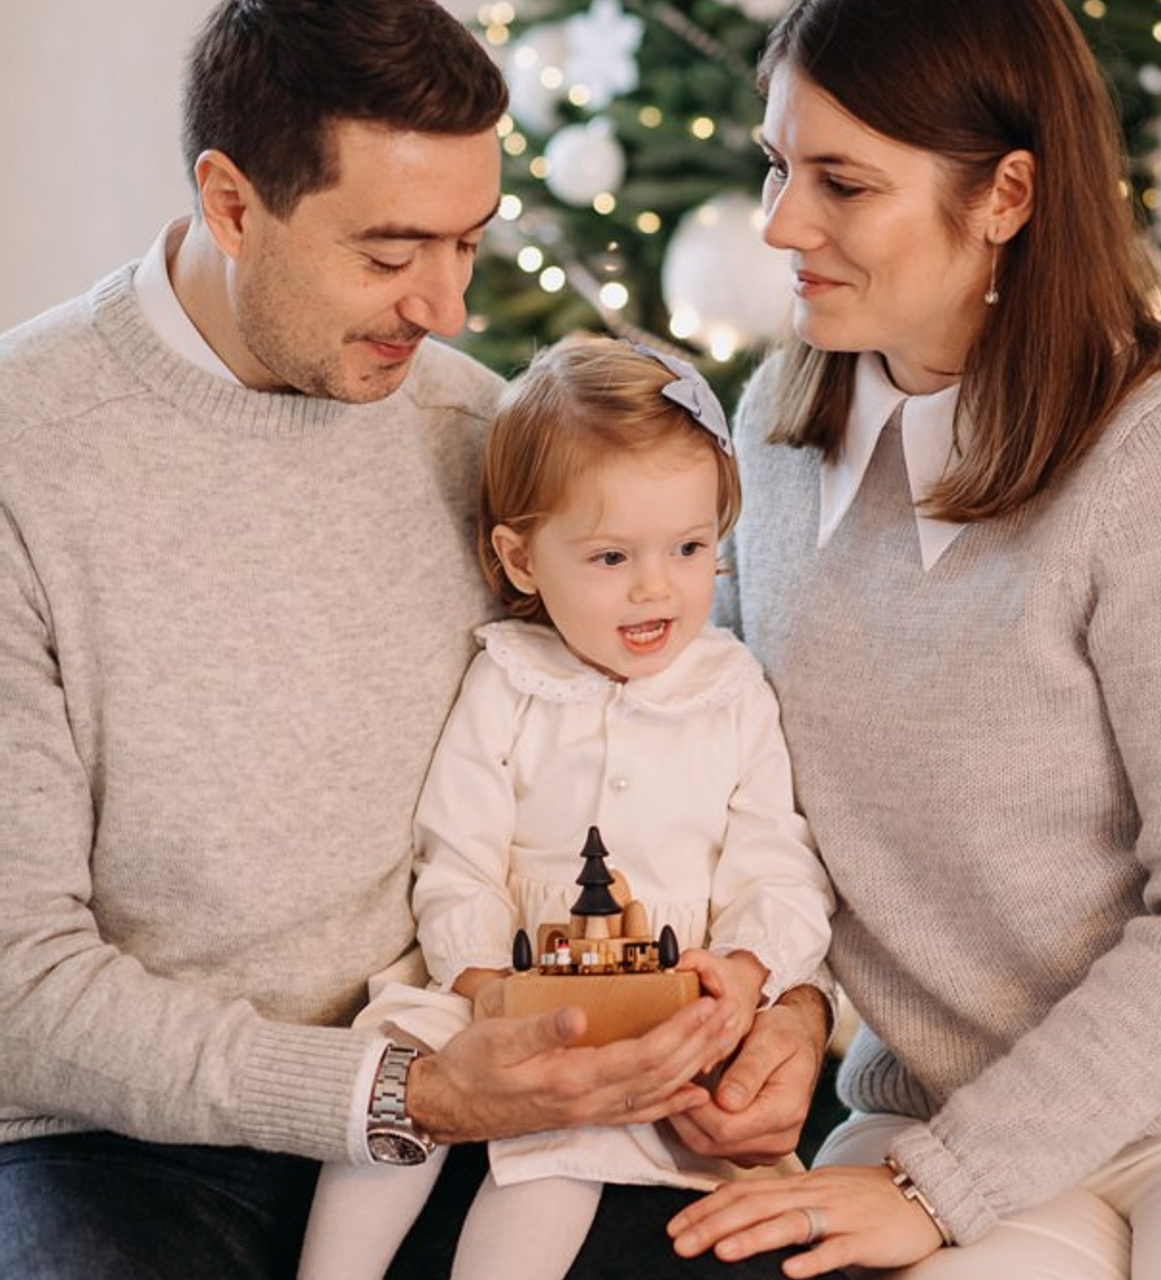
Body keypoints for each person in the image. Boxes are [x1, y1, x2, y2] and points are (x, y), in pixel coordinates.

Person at [0, 3, 822, 1277]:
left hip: (499, 1090)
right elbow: (20, 989)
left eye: (467, 243)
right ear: (231, 202)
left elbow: (675, 749)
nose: (442, 305)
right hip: (122, 1143)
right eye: (391, 252)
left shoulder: (473, 430)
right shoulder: (25, 459)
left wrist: (794, 1007)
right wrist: (406, 1090)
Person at [665, 0, 1161, 1277]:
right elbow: (744, 795)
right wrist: (782, 1004)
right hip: (926, 1105)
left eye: (842, 181)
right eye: (780, 166)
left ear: (1003, 195)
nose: (782, 223)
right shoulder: (773, 428)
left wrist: (946, 1185)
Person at [297, 335, 835, 1280]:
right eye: (610, 554)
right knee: (395, 1066)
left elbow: (774, 864)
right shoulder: (507, 680)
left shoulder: (732, 690)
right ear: (522, 559)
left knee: (565, 1153)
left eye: (690, 548)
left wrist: (747, 976)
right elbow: (455, 854)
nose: (655, 586)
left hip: (665, 997)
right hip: (504, 991)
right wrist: (482, 987)